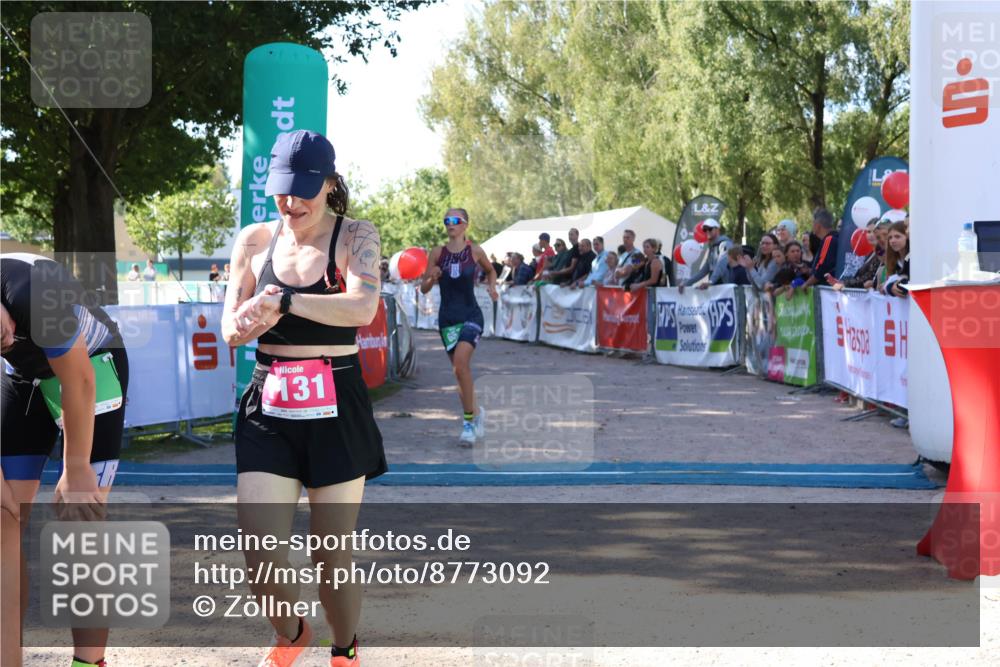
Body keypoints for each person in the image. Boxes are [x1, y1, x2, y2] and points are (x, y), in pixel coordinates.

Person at [221, 129, 386, 667]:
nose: (291, 203)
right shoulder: (252, 240)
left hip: (335, 400)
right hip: (269, 402)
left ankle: (345, 650)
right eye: (282, 191)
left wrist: (287, 303)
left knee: (330, 552)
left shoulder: (357, 235)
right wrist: (249, 321)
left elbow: (361, 310)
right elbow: (230, 331)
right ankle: (294, 634)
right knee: (260, 549)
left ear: (330, 183)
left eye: (304, 190)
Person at [2, 253, 129, 667]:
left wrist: (75, 467)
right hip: (23, 379)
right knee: (3, 518)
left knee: (79, 520)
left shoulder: (32, 293)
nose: (3, 339)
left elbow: (79, 382)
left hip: (92, 363)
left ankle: (88, 662)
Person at [419, 208, 498, 446]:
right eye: (446, 220)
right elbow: (423, 288)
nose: (449, 224)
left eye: (454, 220)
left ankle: (468, 424)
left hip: (471, 315)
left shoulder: (474, 251)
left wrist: (492, 287)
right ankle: (476, 412)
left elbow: (491, 270)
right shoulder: (436, 253)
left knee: (460, 366)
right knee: (460, 373)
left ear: (465, 225)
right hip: (448, 319)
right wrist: (432, 278)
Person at [828, 218, 882, 290]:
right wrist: (841, 284)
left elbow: (869, 277)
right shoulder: (872, 253)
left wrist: (843, 284)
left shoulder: (882, 253)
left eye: (874, 232)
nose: (871, 235)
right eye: (868, 232)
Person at [682, 219, 733, 288]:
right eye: (705, 230)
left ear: (717, 230)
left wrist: (710, 282)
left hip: (727, 288)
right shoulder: (712, 248)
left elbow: (721, 265)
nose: (707, 232)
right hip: (717, 288)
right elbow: (703, 271)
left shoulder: (725, 244)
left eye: (710, 229)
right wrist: (686, 283)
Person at [802, 208, 838, 288]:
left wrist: (806, 284)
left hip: (827, 291)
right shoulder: (832, 238)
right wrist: (809, 271)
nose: (812, 226)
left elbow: (822, 269)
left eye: (812, 223)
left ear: (817, 225)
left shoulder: (829, 239)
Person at [879, 221, 910, 297]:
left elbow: (906, 285)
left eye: (897, 236)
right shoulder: (893, 260)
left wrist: (888, 286)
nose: (892, 241)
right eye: (890, 237)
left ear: (907, 237)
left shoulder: (913, 258)